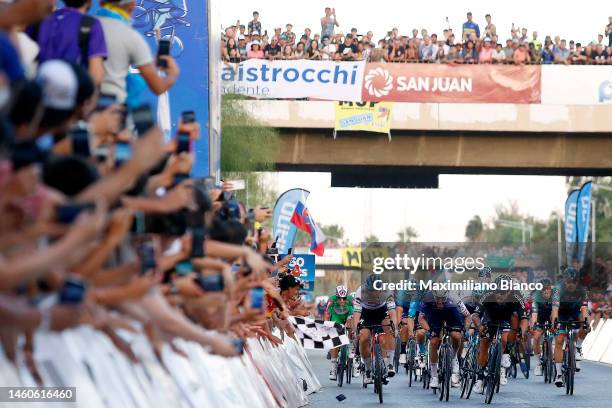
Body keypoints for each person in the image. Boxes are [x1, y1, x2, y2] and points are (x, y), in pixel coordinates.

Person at [96, 0, 180, 106]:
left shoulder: (84, 27)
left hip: (82, 107)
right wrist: (173, 74)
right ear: (132, 6)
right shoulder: (131, 36)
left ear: (101, 3)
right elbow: (158, 87)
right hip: (113, 108)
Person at [27, 0, 107, 86]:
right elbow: (96, 74)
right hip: (74, 92)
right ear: (89, 2)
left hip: (42, 88)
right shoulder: (91, 24)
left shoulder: (40, 21)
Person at [472, 275, 528, 393]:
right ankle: (480, 378)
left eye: (503, 292)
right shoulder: (487, 293)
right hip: (490, 317)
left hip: (508, 318)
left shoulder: (516, 295)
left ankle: (506, 352)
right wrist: (480, 327)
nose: (499, 295)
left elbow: (524, 318)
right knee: (484, 343)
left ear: (509, 291)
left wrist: (521, 331)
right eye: (497, 291)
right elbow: (476, 315)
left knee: (512, 325)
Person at [418, 289, 469, 388]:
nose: (440, 302)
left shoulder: (455, 299)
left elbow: (467, 315)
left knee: (456, 336)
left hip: (451, 313)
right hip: (435, 315)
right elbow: (421, 318)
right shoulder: (427, 299)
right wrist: (429, 330)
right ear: (434, 297)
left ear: (447, 297)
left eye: (442, 300)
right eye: (438, 299)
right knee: (433, 342)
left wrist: (465, 329)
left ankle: (454, 358)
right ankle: (434, 376)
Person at [352, 274, 397, 384]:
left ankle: (389, 364)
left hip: (381, 311)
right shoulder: (360, 292)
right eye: (370, 290)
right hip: (365, 313)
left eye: (376, 290)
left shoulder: (387, 291)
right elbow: (357, 315)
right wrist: (355, 330)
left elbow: (392, 312)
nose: (373, 293)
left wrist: (395, 327)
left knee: (389, 328)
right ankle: (368, 369)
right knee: (363, 338)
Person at [551, 268, 589, 387]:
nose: (571, 284)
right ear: (564, 281)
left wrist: (586, 321)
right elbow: (555, 309)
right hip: (562, 313)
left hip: (575, 312)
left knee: (587, 326)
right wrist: (555, 322)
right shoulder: (558, 289)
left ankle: (577, 347)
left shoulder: (582, 290)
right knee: (559, 341)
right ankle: (558, 374)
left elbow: (584, 309)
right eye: (568, 282)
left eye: (574, 282)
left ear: (577, 282)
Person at [325, 286, 354, 380]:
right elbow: (327, 314)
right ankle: (333, 369)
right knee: (335, 340)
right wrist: (327, 325)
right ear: (336, 296)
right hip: (336, 316)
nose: (342, 301)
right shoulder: (331, 300)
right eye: (339, 298)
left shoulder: (351, 300)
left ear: (347, 297)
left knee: (352, 326)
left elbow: (357, 312)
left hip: (348, 314)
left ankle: (351, 346)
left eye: (344, 298)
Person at [531, 278, 554, 376]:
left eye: (548, 288)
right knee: (536, 337)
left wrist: (554, 323)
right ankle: (538, 363)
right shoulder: (536, 297)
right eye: (543, 288)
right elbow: (534, 313)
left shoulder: (555, 296)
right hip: (540, 318)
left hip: (552, 317)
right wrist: (534, 324)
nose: (546, 290)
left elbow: (556, 311)